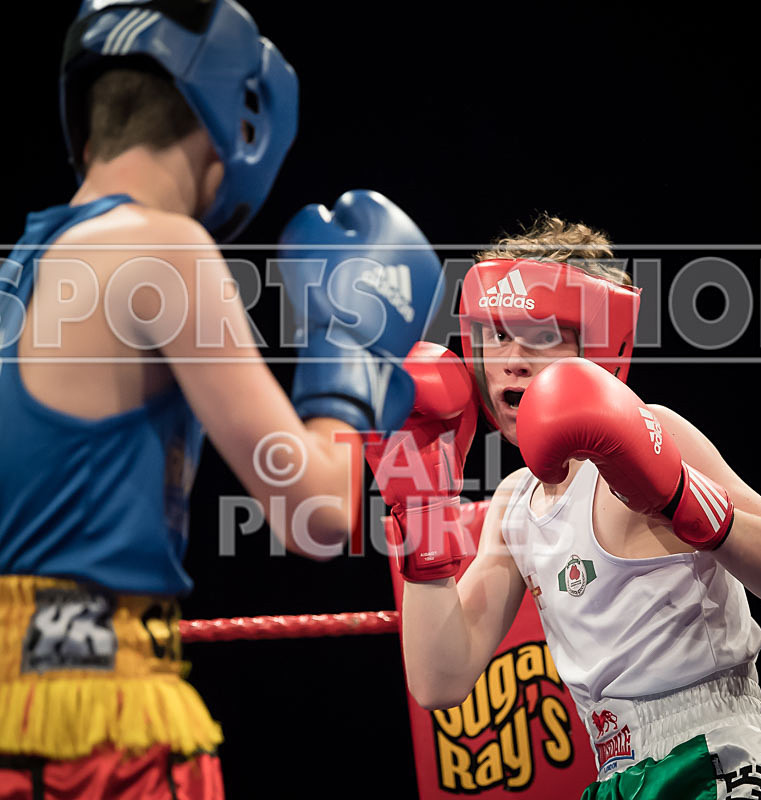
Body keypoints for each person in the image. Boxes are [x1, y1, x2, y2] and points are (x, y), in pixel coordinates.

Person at [0, 1, 442, 797]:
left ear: (88, 126)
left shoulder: (15, 273)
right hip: (95, 715)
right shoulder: (163, 247)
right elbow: (317, 509)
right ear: (235, 117)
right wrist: (350, 353)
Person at [367, 214, 761, 798]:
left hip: (719, 753)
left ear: (598, 346)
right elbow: (439, 678)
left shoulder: (658, 434)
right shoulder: (514, 505)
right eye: (496, 334)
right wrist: (421, 512)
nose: (512, 358)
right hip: (615, 777)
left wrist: (680, 498)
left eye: (541, 334)